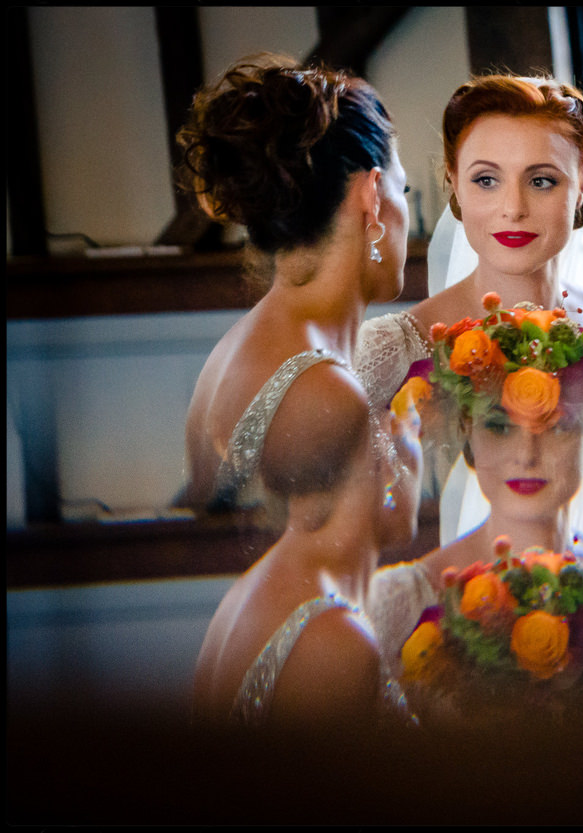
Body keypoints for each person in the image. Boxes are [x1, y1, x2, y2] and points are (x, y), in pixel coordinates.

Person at [175, 55, 420, 727]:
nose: (408, 215)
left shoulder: (239, 355)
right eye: (406, 191)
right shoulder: (323, 395)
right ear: (372, 197)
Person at [355, 74, 583, 543]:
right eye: (486, 180)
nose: (513, 208)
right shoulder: (389, 352)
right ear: (454, 182)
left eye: (542, 180)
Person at [366, 300, 583, 687]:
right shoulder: (393, 603)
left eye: (559, 427)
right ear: (468, 433)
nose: (526, 456)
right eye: (499, 427)